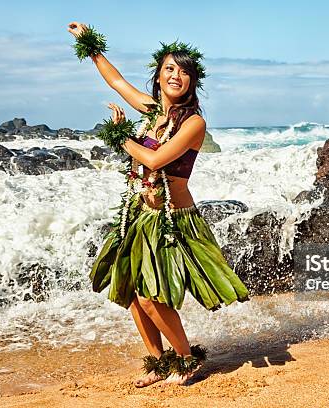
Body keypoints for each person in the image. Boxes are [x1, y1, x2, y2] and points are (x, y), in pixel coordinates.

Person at [67, 22, 250, 387]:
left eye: (184, 71)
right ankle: (158, 362)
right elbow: (117, 83)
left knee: (151, 296)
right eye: (169, 69)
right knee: (132, 293)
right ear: (158, 75)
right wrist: (89, 46)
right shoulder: (152, 112)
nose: (176, 76)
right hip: (142, 214)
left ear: (192, 81)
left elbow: (156, 160)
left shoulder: (193, 123)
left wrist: (121, 137)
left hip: (173, 220)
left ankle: (187, 359)